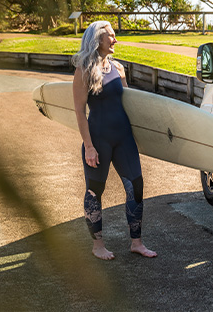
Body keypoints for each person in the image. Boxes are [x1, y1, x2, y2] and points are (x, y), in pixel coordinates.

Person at [72, 21, 157, 260]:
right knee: (95, 190)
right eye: (110, 36)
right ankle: (98, 246)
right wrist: (89, 146)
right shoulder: (84, 69)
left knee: (136, 187)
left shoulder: (118, 68)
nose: (115, 40)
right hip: (99, 139)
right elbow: (79, 111)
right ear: (97, 39)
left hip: (124, 137)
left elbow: (128, 104)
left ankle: (136, 243)